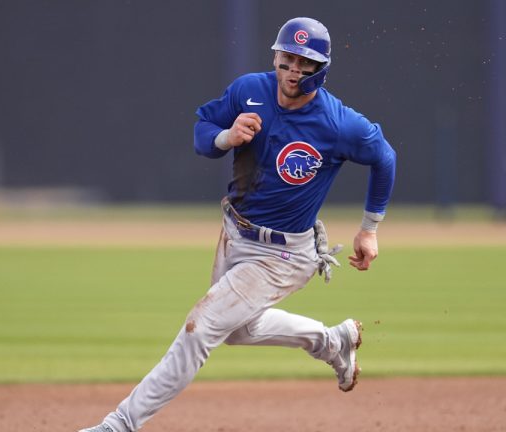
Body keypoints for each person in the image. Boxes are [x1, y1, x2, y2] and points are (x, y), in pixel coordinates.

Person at [80, 17, 396, 432]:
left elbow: (384, 158)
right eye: (287, 58)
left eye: (305, 62)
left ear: (321, 68)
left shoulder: (337, 123)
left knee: (200, 329)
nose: (294, 70)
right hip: (234, 233)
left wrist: (370, 228)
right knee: (237, 330)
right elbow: (202, 130)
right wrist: (225, 137)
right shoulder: (249, 90)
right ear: (276, 56)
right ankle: (332, 341)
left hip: (282, 254)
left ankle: (118, 425)